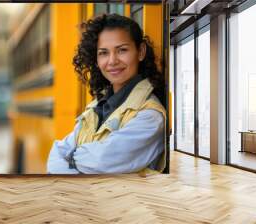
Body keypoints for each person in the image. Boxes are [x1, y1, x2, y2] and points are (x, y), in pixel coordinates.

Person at [47, 14, 167, 174]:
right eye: (103, 53)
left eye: (122, 50)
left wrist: (69, 159)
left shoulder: (150, 116)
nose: (112, 61)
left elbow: (100, 161)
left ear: (141, 51)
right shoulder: (97, 107)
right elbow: (56, 152)